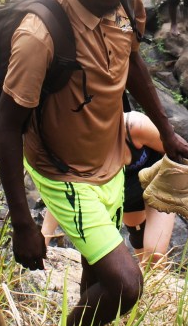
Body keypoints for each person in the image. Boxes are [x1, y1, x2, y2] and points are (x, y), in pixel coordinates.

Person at [0, 0, 188, 326]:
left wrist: (166, 129)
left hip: (110, 163)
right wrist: (23, 224)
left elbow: (134, 63)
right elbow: (6, 129)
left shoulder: (127, 2)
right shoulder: (40, 35)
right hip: (64, 175)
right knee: (125, 284)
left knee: (96, 279)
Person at [42, 110, 177, 265]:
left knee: (155, 255)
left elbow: (176, 152)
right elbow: (64, 192)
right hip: (124, 195)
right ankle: (148, 286)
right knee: (138, 239)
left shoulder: (135, 126)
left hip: (159, 185)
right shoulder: (78, 152)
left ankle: (155, 279)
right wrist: (45, 236)